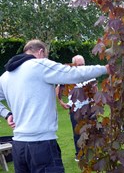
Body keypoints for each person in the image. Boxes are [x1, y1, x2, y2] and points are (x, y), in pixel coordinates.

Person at [0, 39, 110, 173]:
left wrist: (7, 114)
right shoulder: (39, 65)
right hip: (42, 146)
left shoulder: (6, 76)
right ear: (41, 52)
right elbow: (74, 73)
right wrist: (105, 68)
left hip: (18, 147)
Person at [56, 55, 98, 161]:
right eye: (78, 65)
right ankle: (79, 154)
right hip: (75, 109)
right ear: (74, 65)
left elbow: (96, 89)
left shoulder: (90, 75)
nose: (81, 66)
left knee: (92, 131)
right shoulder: (68, 76)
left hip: (90, 108)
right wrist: (61, 102)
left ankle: (93, 153)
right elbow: (58, 88)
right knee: (77, 132)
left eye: (82, 64)